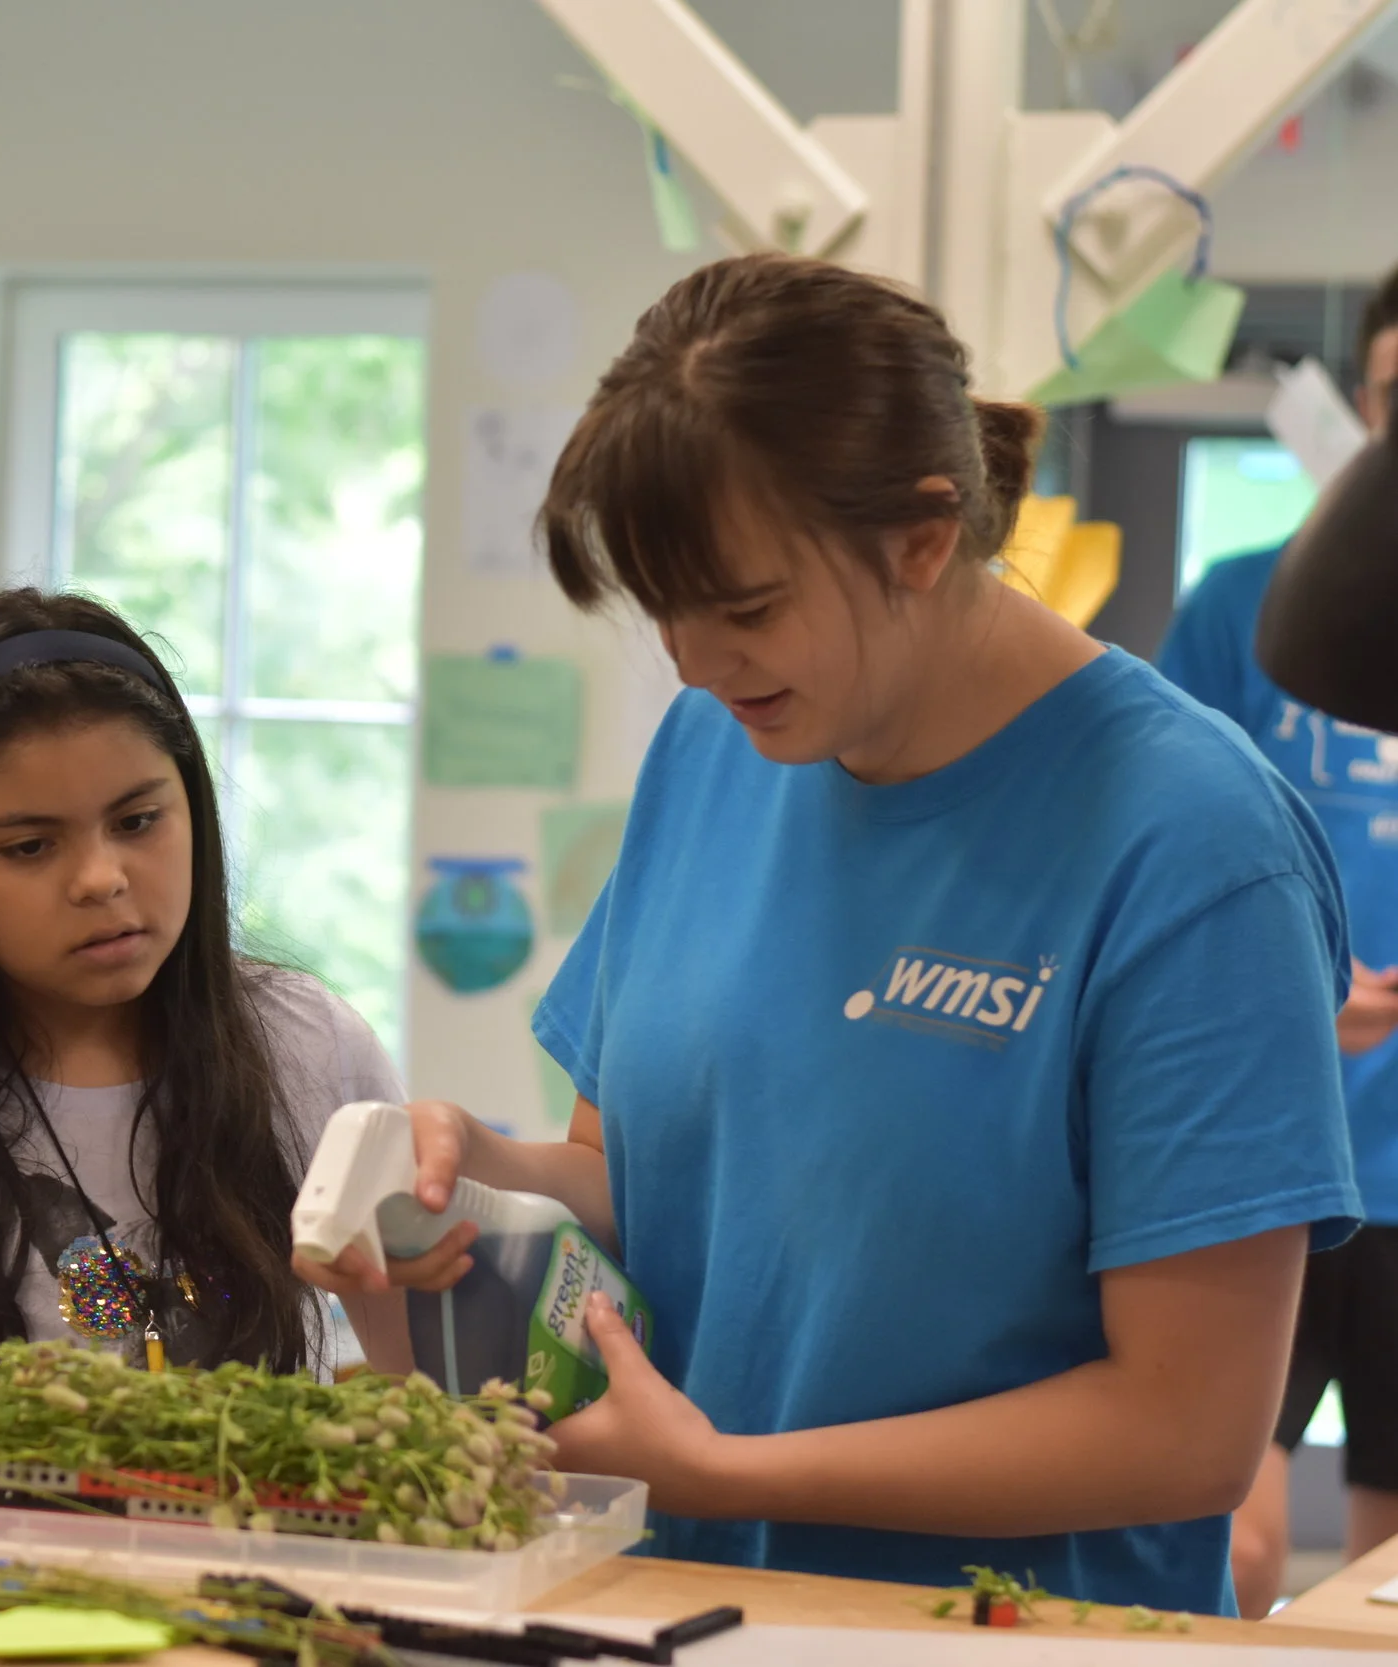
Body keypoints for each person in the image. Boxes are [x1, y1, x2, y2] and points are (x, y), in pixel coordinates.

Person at [299, 253, 1359, 1614]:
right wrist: (467, 1181)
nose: (692, 659)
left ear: (925, 537)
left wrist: (737, 1468)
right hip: (668, 1612)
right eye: (664, 608)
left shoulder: (1195, 845)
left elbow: (1188, 1431)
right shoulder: (717, 743)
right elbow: (652, 1189)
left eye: (744, 609)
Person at [0, 589, 409, 1426]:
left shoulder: (310, 1045)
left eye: (138, 820)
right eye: (29, 846)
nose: (101, 878)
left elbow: (427, 1381)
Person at [1160, 265, 1398, 1615]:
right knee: (1231, 1548)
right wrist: (1298, 994)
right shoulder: (1252, 607)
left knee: (1380, 1578)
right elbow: (1162, 844)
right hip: (1271, 1159)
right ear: (1362, 398)